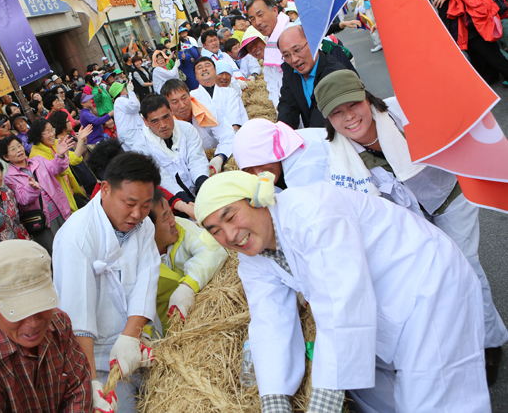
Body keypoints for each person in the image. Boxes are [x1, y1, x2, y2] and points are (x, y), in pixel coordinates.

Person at [196, 171, 491, 413]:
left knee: (437, 397)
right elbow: (269, 321)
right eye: (215, 230)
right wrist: (275, 399)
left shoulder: (311, 211)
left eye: (230, 216)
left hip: (428, 285)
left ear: (257, 199)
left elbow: (341, 300)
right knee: (383, 395)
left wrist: (323, 402)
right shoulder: (252, 259)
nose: (230, 235)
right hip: (384, 298)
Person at [313, 70, 508, 383]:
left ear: (366, 97)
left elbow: (455, 114)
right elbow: (341, 208)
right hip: (410, 222)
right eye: (337, 112)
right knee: (438, 280)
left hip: (449, 197)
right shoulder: (338, 162)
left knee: (467, 268)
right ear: (328, 120)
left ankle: (490, 340)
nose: (349, 117)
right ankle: (457, 342)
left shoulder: (403, 113)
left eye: (353, 104)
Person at [52, 152, 161, 413]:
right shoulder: (76, 237)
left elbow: (146, 278)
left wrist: (131, 336)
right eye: (130, 203)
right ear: (105, 189)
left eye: (146, 205)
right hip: (99, 357)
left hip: (137, 338)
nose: (137, 213)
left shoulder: (143, 225)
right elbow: (78, 317)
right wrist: (89, 380)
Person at [0, 240, 92, 412]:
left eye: (40, 306)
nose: (33, 323)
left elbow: (79, 384)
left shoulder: (59, 322)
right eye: (16, 312)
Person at [148, 189, 227, 334]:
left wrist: (188, 286)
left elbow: (213, 250)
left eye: (171, 212)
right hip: (173, 334)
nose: (173, 221)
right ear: (148, 230)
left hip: (206, 314)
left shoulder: (180, 226)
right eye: (165, 218)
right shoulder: (137, 263)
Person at [276, 25, 356, 130]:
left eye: (297, 49)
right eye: (287, 55)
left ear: (313, 42)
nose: (294, 59)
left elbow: (320, 120)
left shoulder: (334, 73)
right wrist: (282, 133)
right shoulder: (290, 70)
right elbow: (288, 105)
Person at [0, 135, 72, 251]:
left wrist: (60, 155)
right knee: (56, 252)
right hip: (42, 221)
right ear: (6, 157)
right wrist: (32, 188)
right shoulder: (9, 177)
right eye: (13, 149)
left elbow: (56, 168)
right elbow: (23, 199)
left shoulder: (38, 160)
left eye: (19, 146)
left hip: (60, 211)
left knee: (73, 244)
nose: (19, 150)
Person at [136, 95, 209, 203]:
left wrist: (202, 187)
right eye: (155, 121)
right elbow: (162, 177)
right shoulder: (140, 148)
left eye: (166, 117)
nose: (163, 125)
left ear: (171, 111)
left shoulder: (187, 129)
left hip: (199, 189)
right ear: (145, 121)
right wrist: (185, 202)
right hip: (174, 202)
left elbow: (197, 159)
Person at [232, 118, 330, 190]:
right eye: (249, 169)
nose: (258, 173)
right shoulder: (285, 142)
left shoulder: (305, 165)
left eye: (260, 161)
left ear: (273, 148)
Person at [161, 79, 234, 174]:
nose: (182, 105)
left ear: (190, 95)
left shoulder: (208, 110)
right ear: (167, 106)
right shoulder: (167, 126)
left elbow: (228, 137)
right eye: (175, 102)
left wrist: (220, 157)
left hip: (217, 158)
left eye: (184, 98)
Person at [28, 118, 92, 213]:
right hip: (61, 198)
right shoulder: (36, 155)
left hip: (70, 191)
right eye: (47, 132)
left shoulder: (55, 143)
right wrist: (62, 155)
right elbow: (60, 171)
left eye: (52, 130)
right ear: (38, 135)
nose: (52, 134)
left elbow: (74, 159)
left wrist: (81, 140)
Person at [245, 0, 291, 106]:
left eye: (260, 15)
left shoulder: (292, 35)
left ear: (275, 10)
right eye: (252, 19)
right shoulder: (270, 55)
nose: (257, 22)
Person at [192, 57, 249, 130]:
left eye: (207, 66)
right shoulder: (192, 96)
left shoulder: (230, 92)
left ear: (215, 71)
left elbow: (235, 117)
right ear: (195, 76)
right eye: (199, 67)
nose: (204, 69)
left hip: (231, 136)